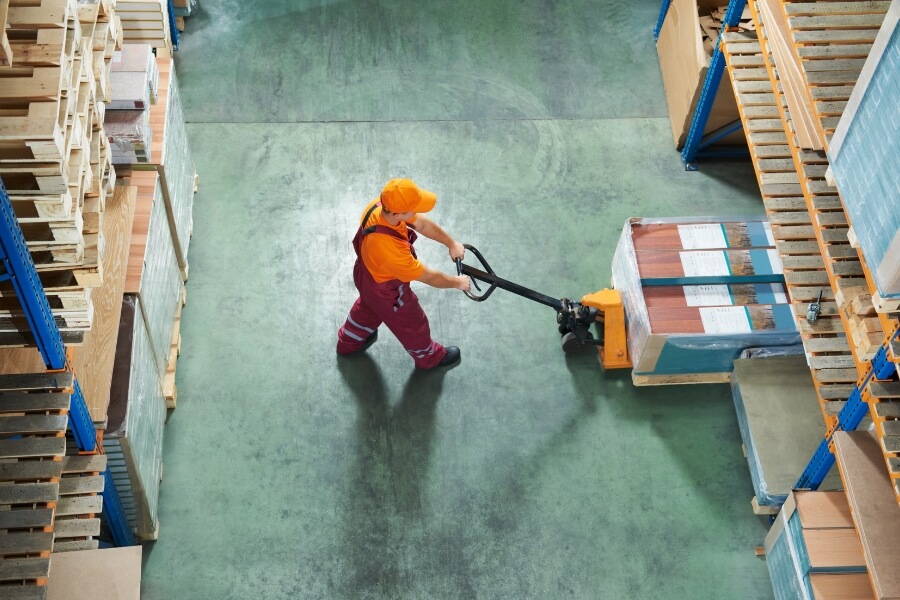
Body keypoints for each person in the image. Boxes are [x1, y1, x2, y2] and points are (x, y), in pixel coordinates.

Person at [336, 178, 471, 369]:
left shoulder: (379, 206)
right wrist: (457, 282)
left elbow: (422, 225)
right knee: (413, 324)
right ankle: (429, 358)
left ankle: (348, 342)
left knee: (368, 307)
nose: (416, 212)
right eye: (413, 209)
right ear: (399, 214)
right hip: (388, 294)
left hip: (366, 275)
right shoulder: (392, 254)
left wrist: (451, 243)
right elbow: (429, 277)